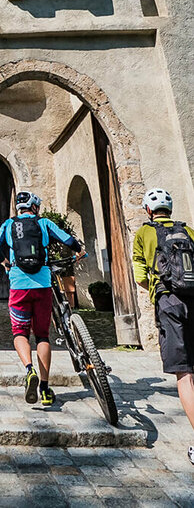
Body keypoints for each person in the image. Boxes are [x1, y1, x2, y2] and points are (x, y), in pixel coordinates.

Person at [0, 190, 85, 407]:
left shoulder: (8, 224)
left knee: (19, 333)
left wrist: (6, 264)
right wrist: (79, 251)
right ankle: (44, 388)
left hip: (18, 286)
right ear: (34, 207)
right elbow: (68, 239)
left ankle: (28, 369)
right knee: (42, 336)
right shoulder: (43, 223)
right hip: (42, 285)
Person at [132, 187, 194, 467]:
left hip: (168, 301)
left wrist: (157, 290)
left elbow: (140, 277)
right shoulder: (188, 230)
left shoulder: (144, 233)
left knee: (184, 374)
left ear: (148, 210)